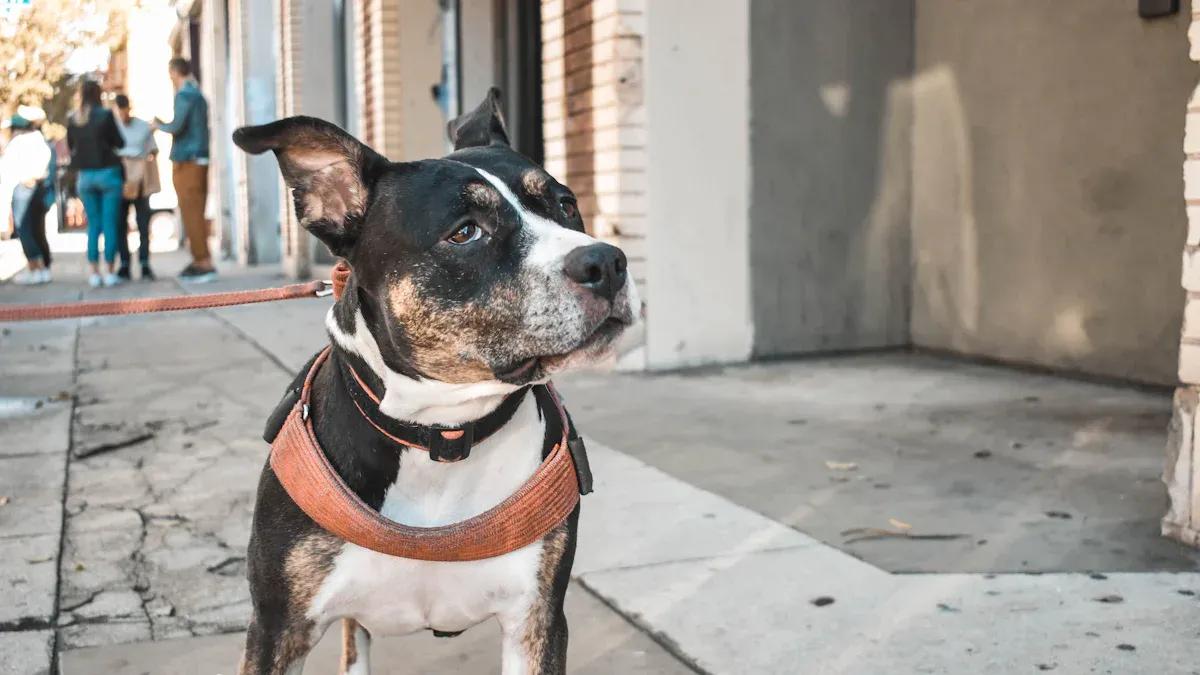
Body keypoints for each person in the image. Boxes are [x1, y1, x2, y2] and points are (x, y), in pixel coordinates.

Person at [152, 58, 215, 283]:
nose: (170, 78)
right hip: (199, 158)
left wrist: (157, 125)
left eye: (170, 74)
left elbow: (176, 126)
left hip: (187, 160)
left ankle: (203, 263)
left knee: (191, 212)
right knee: (197, 210)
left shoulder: (184, 94)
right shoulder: (198, 94)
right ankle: (202, 259)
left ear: (174, 72)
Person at [68, 80, 126, 288]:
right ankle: (109, 272)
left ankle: (94, 273)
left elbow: (71, 146)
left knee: (93, 225)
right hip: (108, 173)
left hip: (85, 176)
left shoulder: (74, 118)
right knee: (110, 223)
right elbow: (120, 142)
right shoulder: (105, 115)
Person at [1, 106, 53, 285]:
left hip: (24, 187)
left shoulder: (19, 142)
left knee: (24, 229)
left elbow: (7, 166)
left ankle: (35, 266)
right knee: (37, 229)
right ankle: (43, 267)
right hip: (36, 187)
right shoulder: (40, 140)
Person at [113, 94, 160, 281]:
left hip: (140, 180)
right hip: (121, 178)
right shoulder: (113, 127)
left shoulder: (142, 126)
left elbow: (154, 150)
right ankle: (124, 264)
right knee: (120, 224)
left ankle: (144, 264)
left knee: (143, 224)